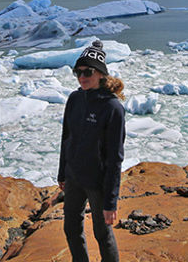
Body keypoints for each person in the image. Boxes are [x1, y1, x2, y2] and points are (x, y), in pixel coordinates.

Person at [58, 40, 126, 262]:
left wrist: (111, 202)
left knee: (102, 234)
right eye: (77, 72)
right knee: (71, 229)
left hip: (97, 182)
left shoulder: (112, 107)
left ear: (100, 74)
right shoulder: (75, 99)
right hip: (74, 177)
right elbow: (66, 137)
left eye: (87, 72)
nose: (81, 77)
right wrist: (62, 173)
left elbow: (115, 158)